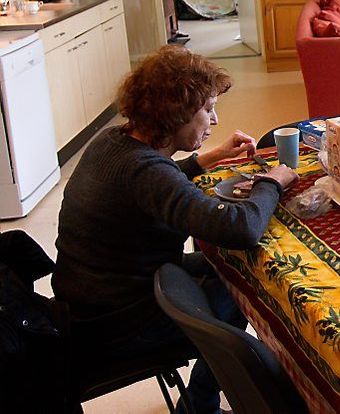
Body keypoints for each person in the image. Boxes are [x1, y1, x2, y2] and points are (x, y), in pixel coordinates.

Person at [52, 45, 297, 413]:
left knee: (232, 267)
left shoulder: (113, 142)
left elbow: (153, 187)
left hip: (88, 301)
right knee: (245, 285)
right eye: (208, 109)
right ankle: (201, 406)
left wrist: (205, 159)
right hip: (116, 325)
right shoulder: (145, 171)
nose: (214, 122)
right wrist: (273, 182)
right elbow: (240, 227)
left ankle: (199, 402)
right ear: (177, 113)